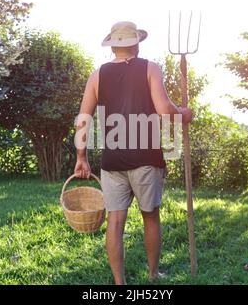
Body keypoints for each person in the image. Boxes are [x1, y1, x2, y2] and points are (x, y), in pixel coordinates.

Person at [74, 21, 192, 285]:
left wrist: (81, 157)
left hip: (112, 160)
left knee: (115, 221)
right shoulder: (150, 68)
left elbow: (83, 119)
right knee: (150, 215)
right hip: (146, 158)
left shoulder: (97, 75)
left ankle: (120, 284)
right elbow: (164, 109)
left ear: (113, 46)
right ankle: (153, 274)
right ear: (136, 44)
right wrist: (182, 114)